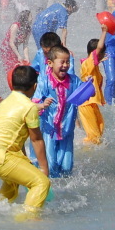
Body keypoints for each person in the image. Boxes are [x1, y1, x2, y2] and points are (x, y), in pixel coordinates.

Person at [0, 64, 51, 214]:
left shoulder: (7, 102)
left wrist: (25, 161)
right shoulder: (30, 107)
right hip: (1, 158)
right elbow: (36, 140)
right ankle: (27, 220)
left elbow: (16, 137)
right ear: (34, 86)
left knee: (14, 182)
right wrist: (44, 169)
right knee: (41, 183)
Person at [31, 41, 82, 177]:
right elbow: (33, 103)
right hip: (49, 130)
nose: (65, 65)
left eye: (67, 62)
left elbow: (85, 95)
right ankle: (50, 188)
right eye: (62, 62)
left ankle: (66, 193)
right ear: (50, 63)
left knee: (66, 168)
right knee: (51, 165)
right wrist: (42, 105)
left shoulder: (74, 81)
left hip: (67, 130)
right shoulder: (44, 81)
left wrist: (89, 84)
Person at [78, 27, 108, 145]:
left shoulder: (91, 64)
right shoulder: (89, 62)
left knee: (100, 129)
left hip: (91, 103)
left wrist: (99, 61)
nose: (103, 54)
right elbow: (99, 48)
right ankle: (85, 151)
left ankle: (88, 147)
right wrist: (104, 32)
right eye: (101, 52)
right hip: (86, 104)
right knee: (93, 137)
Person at [0, 9, 32, 76]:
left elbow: (25, 45)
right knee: (12, 67)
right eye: (30, 16)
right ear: (26, 18)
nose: (32, 18)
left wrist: (27, 58)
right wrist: (19, 56)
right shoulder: (16, 26)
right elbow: (11, 43)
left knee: (18, 65)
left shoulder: (28, 29)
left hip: (14, 49)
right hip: (6, 49)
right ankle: (10, 81)